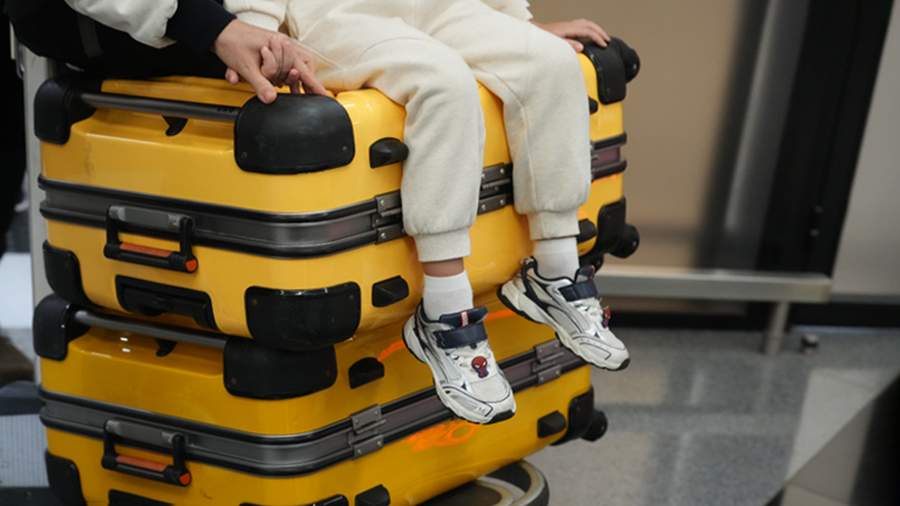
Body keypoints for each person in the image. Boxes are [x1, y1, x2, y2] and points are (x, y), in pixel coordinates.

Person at [225, 0, 629, 424]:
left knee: (553, 65)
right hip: (333, 15)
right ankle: (444, 312)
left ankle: (556, 272)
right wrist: (256, 23)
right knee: (444, 85)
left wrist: (516, 21)